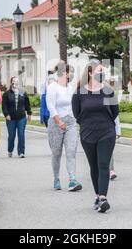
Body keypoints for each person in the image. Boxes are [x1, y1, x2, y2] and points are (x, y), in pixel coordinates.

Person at [72, 60, 119, 213]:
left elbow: (115, 111)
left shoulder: (108, 90)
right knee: (94, 167)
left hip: (106, 132)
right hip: (88, 134)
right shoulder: (79, 93)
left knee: (103, 164)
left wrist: (106, 125)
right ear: (91, 72)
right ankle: (98, 195)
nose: (102, 73)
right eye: (99, 71)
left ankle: (103, 198)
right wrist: (88, 124)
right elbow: (76, 114)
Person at [46, 61, 82, 192]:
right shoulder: (52, 87)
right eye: (70, 72)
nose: (72, 75)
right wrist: (58, 121)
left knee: (71, 151)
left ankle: (72, 179)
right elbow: (51, 106)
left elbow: (73, 105)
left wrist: (77, 118)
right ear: (64, 73)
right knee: (56, 153)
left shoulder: (70, 88)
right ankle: (56, 178)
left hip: (71, 122)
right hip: (56, 123)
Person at [2, 76, 32, 158]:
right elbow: (4, 106)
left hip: (21, 117)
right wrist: (6, 115)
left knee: (21, 134)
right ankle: (10, 149)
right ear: (11, 83)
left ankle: (21, 152)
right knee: (11, 136)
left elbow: (27, 104)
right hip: (11, 118)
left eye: (17, 81)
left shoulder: (23, 92)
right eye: (14, 81)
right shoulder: (6, 94)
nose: (16, 83)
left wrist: (29, 114)